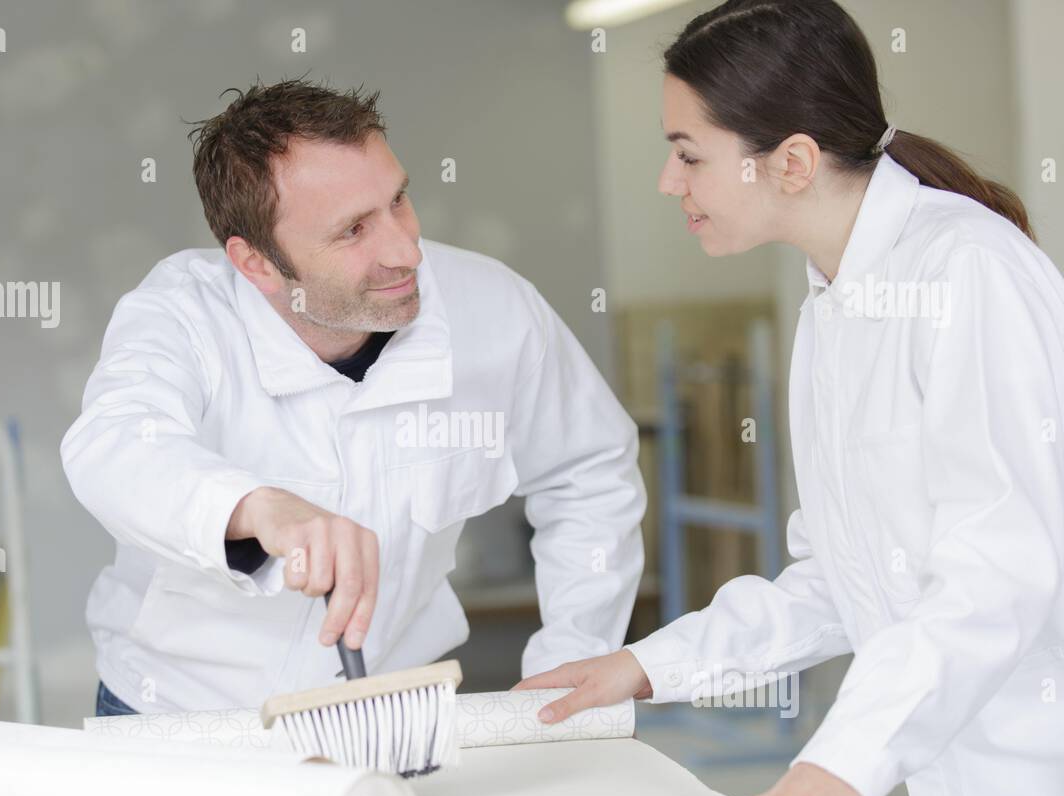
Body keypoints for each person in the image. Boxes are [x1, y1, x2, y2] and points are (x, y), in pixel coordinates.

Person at [517, 0, 1064, 796]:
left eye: (688, 155)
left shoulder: (968, 272)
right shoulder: (833, 300)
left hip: (1058, 792)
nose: (669, 183)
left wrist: (846, 759)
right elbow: (840, 578)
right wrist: (647, 666)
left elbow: (998, 571)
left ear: (790, 162)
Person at [62, 79, 645, 718]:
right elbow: (114, 444)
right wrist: (261, 508)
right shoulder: (180, 314)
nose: (405, 249)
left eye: (398, 200)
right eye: (353, 231)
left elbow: (589, 471)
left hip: (384, 720)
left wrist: (572, 658)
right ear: (255, 263)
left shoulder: (495, 309)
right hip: (178, 715)